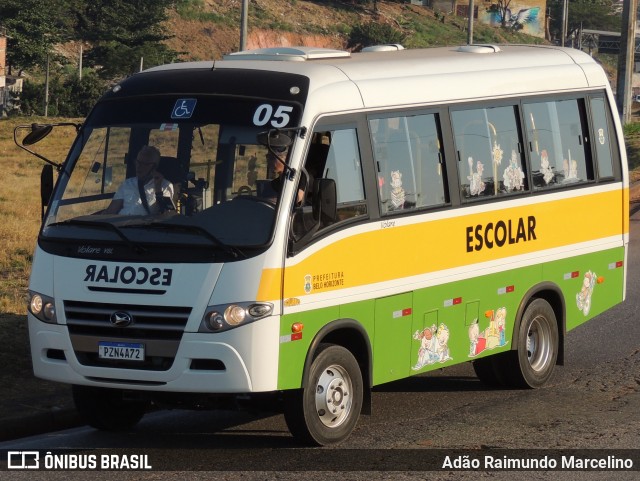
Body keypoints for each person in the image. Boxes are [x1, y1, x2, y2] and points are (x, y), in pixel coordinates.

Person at [104, 145, 175, 215]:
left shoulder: (165, 186)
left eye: (144, 164)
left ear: (154, 167)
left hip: (143, 225)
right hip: (121, 224)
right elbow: (111, 211)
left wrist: (158, 189)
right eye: (137, 162)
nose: (138, 166)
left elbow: (166, 215)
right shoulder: (127, 183)